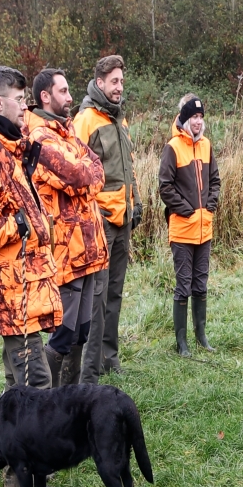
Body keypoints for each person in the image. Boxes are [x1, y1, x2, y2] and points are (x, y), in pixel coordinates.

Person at [0, 65, 63, 487]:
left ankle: (18, 474)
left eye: (26, 99)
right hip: (11, 294)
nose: (25, 107)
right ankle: (24, 479)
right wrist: (19, 225)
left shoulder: (12, 148)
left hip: (25, 288)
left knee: (18, 384)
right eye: (19, 100)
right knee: (34, 386)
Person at [28, 68, 108, 386]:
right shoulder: (39, 138)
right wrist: (85, 172)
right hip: (65, 254)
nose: (70, 96)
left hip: (88, 250)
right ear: (45, 96)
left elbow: (97, 170)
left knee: (81, 333)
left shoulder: (68, 130)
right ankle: (47, 398)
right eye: (63, 91)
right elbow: (77, 176)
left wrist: (85, 172)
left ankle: (70, 399)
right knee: (63, 335)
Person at [73, 55, 142, 382]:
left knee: (115, 293)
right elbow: (73, 172)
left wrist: (136, 201)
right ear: (99, 82)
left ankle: (109, 357)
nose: (119, 87)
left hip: (123, 219)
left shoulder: (120, 120)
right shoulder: (85, 120)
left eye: (121, 82)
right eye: (114, 81)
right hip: (100, 223)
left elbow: (128, 169)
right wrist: (93, 214)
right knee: (97, 298)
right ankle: (90, 366)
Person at [159, 94, 221, 356]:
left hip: (204, 230)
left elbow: (215, 180)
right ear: (185, 119)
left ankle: (201, 336)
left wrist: (209, 206)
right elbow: (165, 187)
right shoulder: (173, 147)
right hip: (182, 230)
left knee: (201, 284)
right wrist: (187, 211)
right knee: (183, 285)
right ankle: (181, 343)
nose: (198, 121)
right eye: (193, 117)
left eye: (200, 117)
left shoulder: (206, 145)